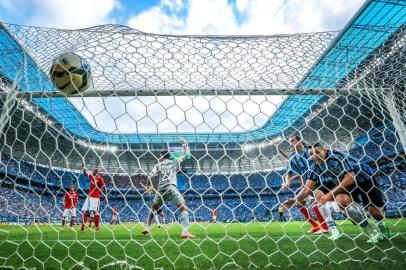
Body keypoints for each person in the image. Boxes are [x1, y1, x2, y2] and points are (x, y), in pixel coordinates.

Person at [297, 142, 390, 243]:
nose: (314, 156)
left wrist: (329, 194)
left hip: (364, 179)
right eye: (311, 154)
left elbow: (351, 178)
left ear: (324, 150)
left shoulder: (336, 157)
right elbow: (307, 188)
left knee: (375, 213)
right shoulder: (314, 165)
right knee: (341, 200)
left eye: (317, 152)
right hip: (346, 182)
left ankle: (381, 224)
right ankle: (373, 232)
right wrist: (295, 200)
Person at [141, 139, 194, 238]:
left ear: (163, 156)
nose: (159, 157)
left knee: (153, 207)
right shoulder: (174, 162)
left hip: (161, 189)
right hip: (171, 187)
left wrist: (148, 187)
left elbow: (149, 176)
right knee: (184, 208)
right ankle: (184, 232)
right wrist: (184, 145)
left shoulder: (158, 165)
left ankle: (147, 227)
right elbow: (186, 155)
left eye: (160, 155)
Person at [281, 135, 330, 234]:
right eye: (290, 142)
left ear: (300, 140)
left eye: (293, 140)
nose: (291, 143)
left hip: (321, 180)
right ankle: (316, 226)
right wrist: (287, 182)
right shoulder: (293, 159)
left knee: (317, 203)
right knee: (299, 204)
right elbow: (289, 173)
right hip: (307, 184)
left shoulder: (311, 150)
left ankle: (325, 227)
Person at [81, 164, 108, 233]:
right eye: (93, 171)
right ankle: (83, 228)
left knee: (94, 212)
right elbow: (85, 173)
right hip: (89, 196)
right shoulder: (92, 177)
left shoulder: (100, 179)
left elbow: (104, 188)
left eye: (94, 171)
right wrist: (83, 167)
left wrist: (105, 196)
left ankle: (97, 227)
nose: (93, 172)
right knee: (85, 211)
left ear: (97, 172)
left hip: (95, 198)